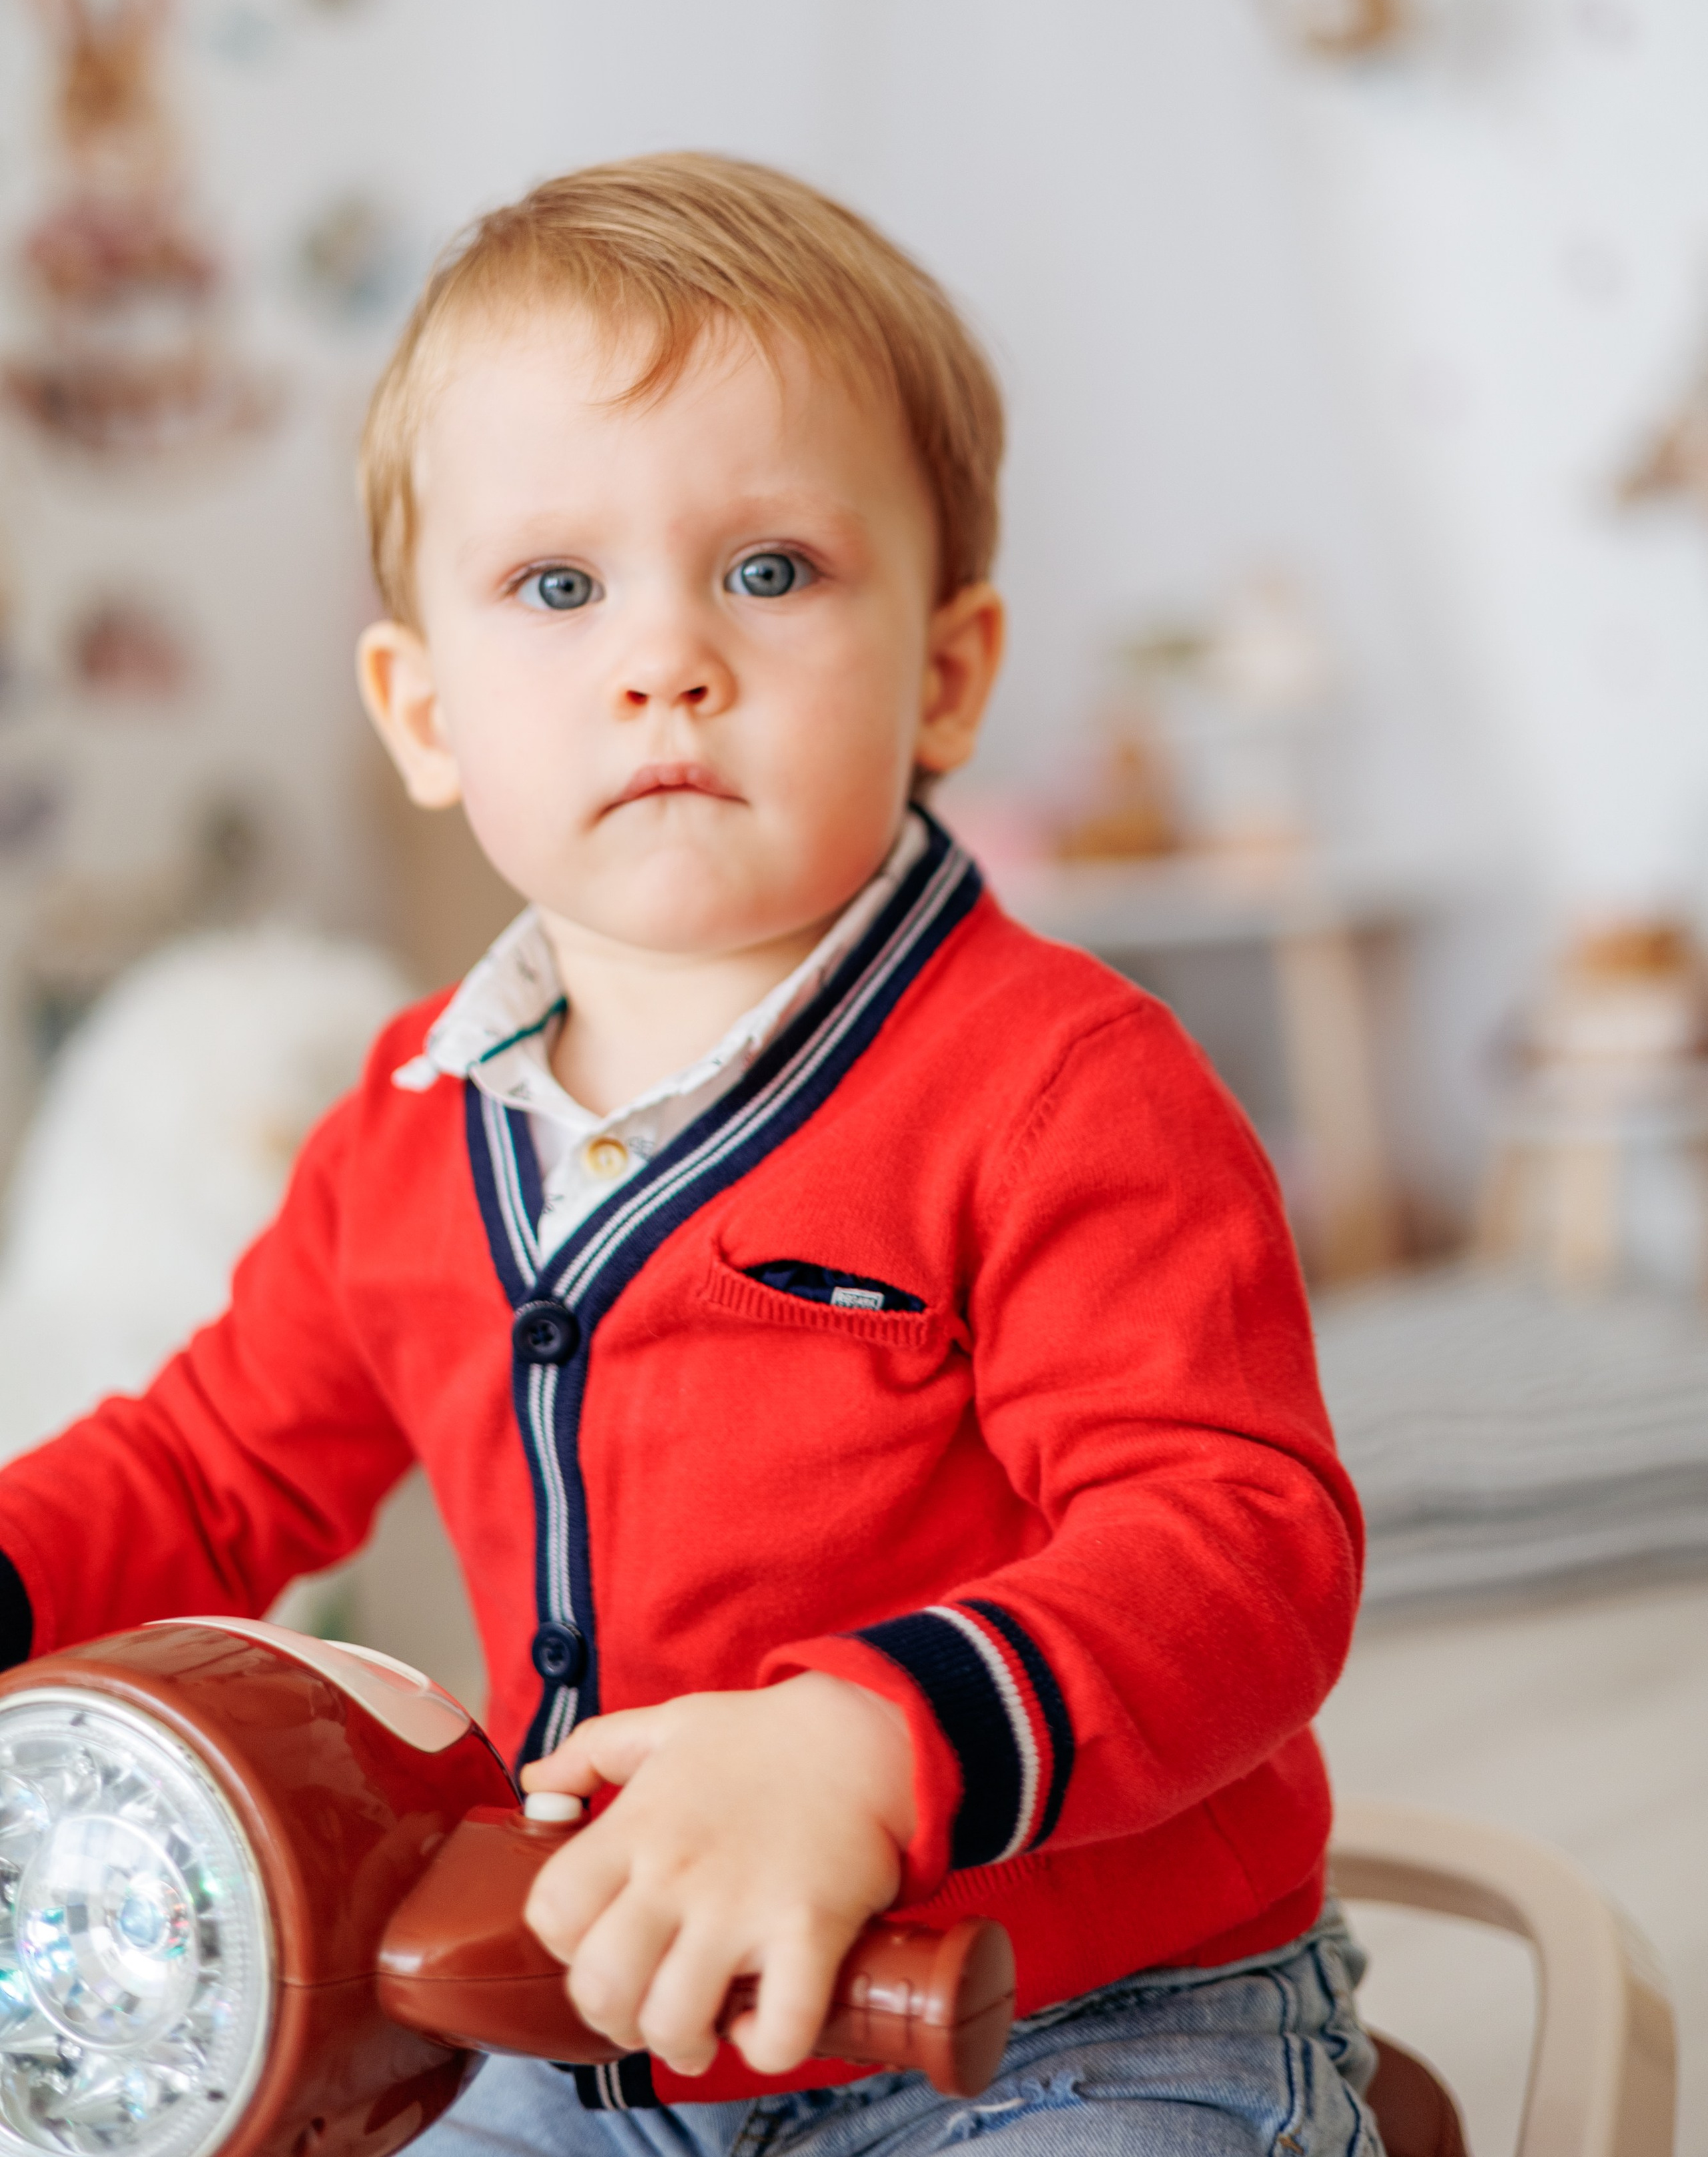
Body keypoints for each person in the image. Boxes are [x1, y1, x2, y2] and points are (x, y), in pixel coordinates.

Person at [0, 155, 1376, 2156]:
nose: (667, 659)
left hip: (1052, 2023)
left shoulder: (1065, 1084)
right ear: (423, 709)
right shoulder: (411, 1120)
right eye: (559, 589)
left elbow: (1238, 1547)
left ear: (950, 672)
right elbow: (209, 1474)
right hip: (578, 2016)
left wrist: (871, 1746)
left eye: (770, 572)